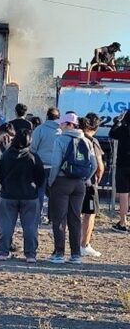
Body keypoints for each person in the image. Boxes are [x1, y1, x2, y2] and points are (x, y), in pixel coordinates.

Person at [48, 112, 97, 264]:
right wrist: (85, 179)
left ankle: (59, 254)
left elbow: (56, 164)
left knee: (60, 218)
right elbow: (94, 165)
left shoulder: (61, 140)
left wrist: (51, 181)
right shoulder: (86, 140)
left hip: (62, 181)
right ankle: (76, 254)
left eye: (62, 124)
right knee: (75, 218)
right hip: (79, 184)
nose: (60, 126)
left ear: (69, 125)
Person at [0, 130, 46, 262]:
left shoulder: (6, 156)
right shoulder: (33, 157)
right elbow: (41, 178)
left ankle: (2, 252)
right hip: (29, 196)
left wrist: (5, 184)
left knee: (5, 225)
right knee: (30, 226)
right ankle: (30, 254)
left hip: (8, 195)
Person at [80, 113, 104, 258]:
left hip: (73, 180)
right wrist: (97, 180)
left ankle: (71, 244)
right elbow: (99, 166)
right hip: (89, 183)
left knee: (73, 213)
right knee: (90, 214)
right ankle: (84, 244)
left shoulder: (75, 138)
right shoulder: (92, 141)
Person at [31, 107, 61, 224]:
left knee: (39, 192)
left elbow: (33, 148)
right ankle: (52, 217)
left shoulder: (39, 129)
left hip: (41, 166)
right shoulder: (60, 131)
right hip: (55, 167)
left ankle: (37, 217)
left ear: (47, 116)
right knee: (54, 193)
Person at [109, 111, 130, 233]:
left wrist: (118, 121)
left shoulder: (123, 129)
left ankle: (123, 222)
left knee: (123, 194)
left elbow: (112, 133)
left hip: (123, 164)